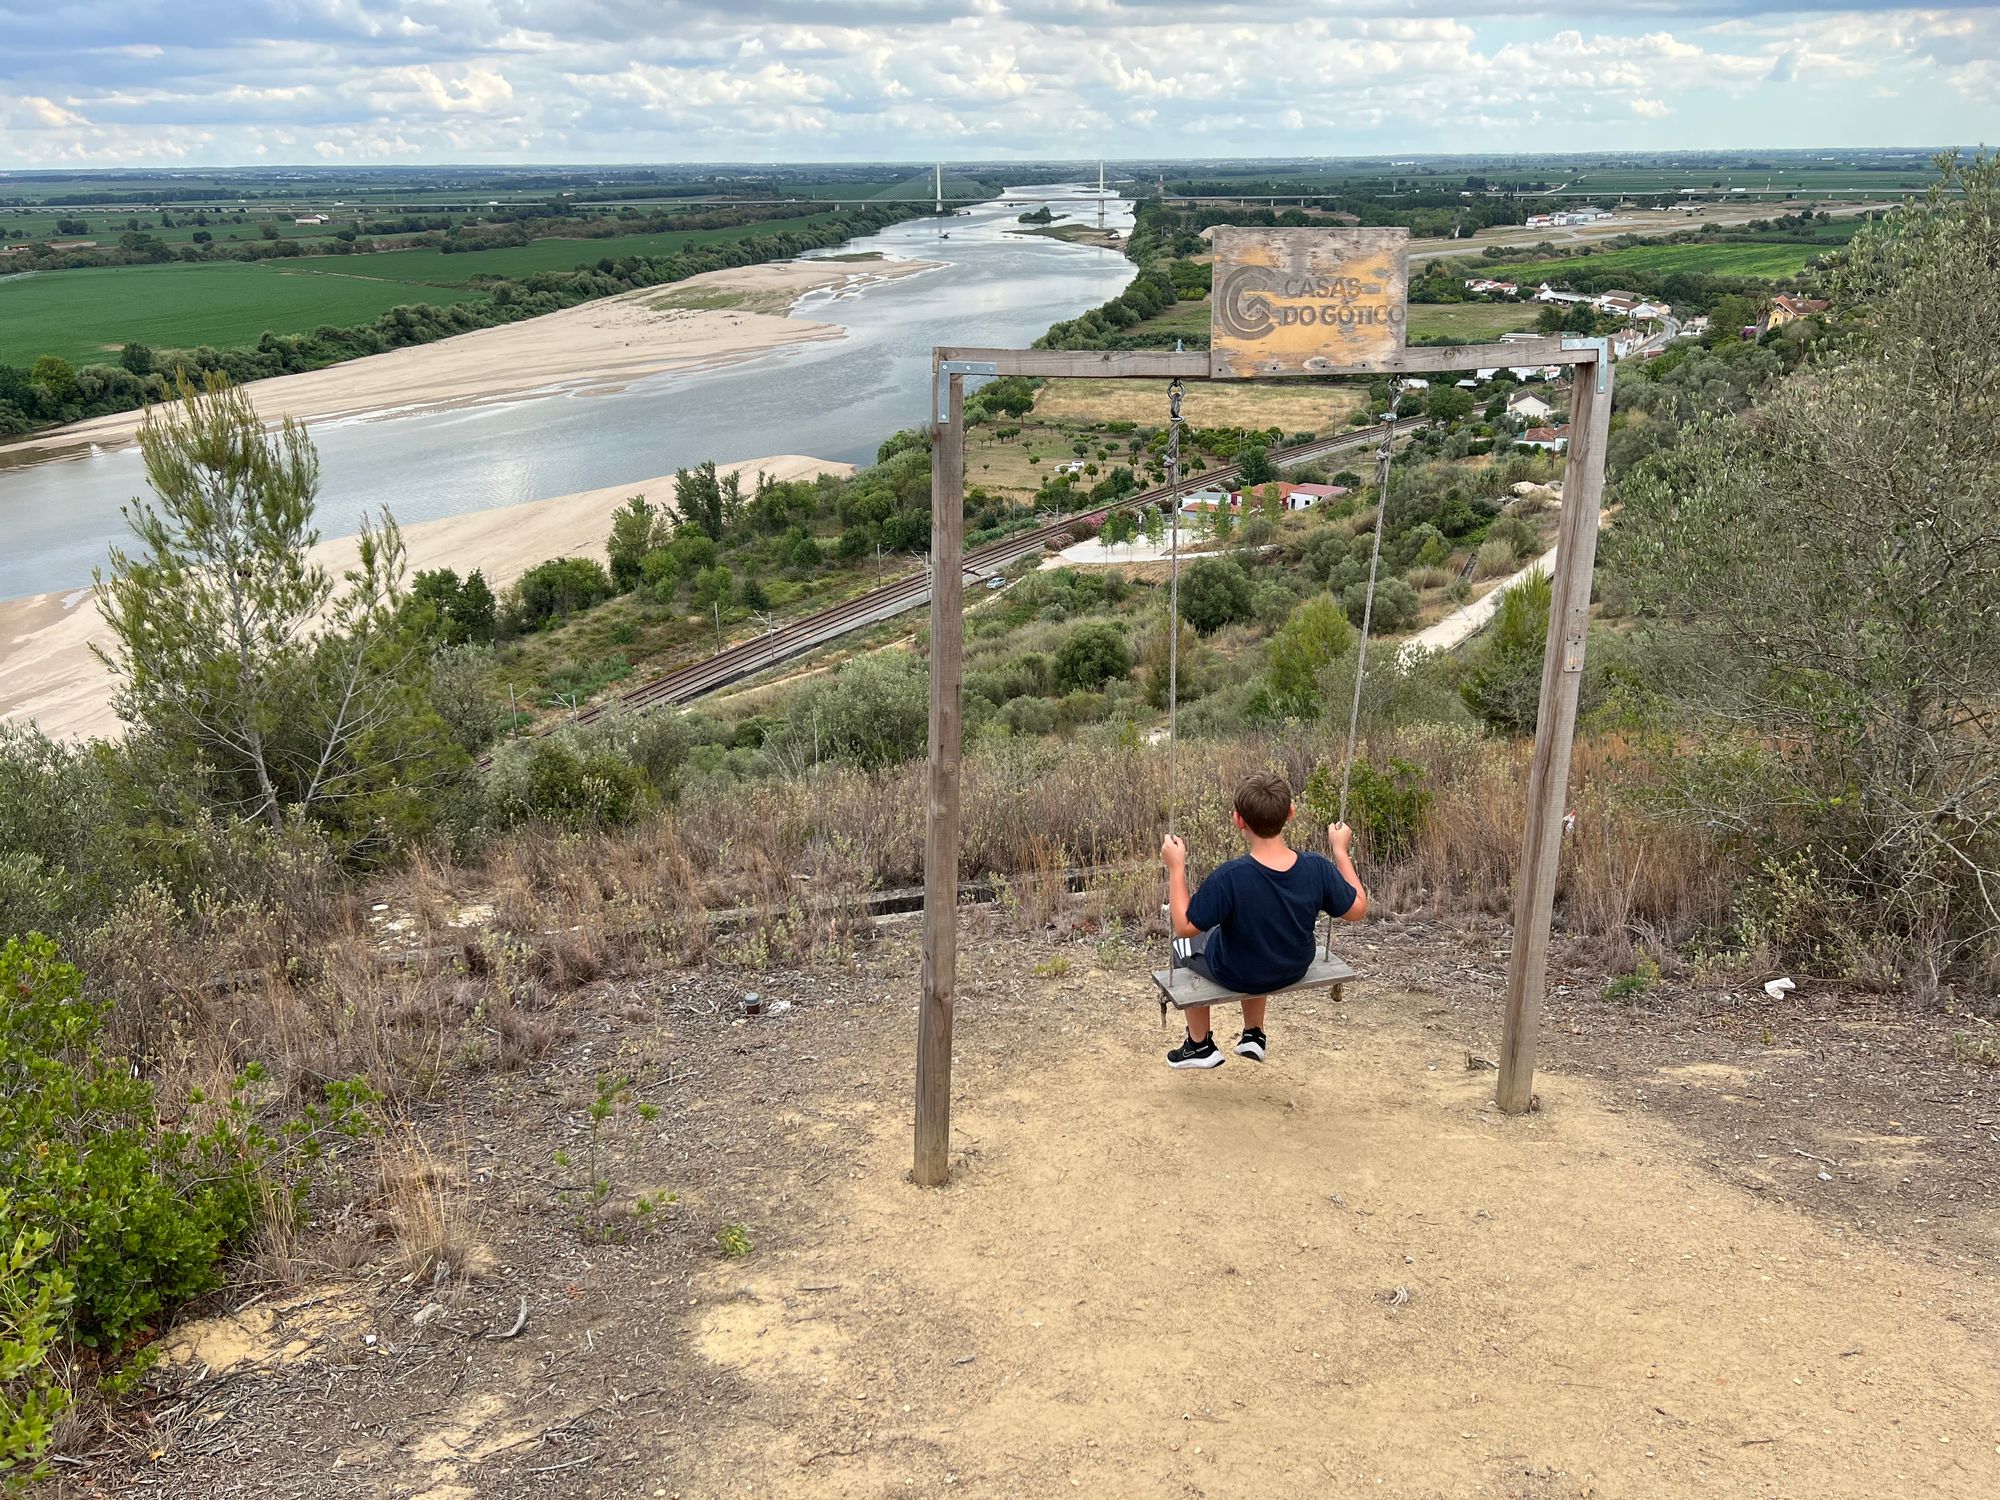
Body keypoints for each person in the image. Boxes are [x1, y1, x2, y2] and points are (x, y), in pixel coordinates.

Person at [1159, 770, 1367, 1070]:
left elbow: (1184, 925)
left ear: (1238, 820)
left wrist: (1176, 868)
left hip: (1239, 972)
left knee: (1185, 945)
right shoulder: (1317, 868)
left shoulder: (1230, 877)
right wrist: (1340, 851)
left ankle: (1199, 1045)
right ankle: (1254, 1034)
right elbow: (1358, 909)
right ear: (1290, 814)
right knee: (1253, 932)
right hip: (1293, 966)